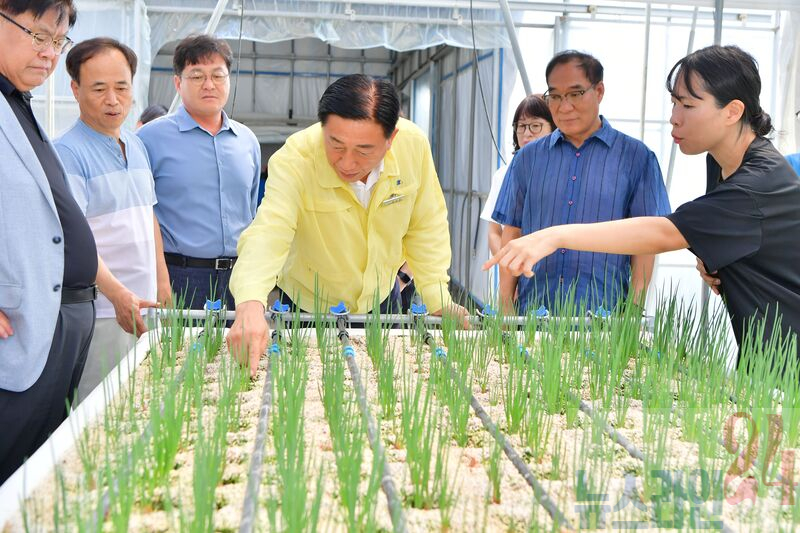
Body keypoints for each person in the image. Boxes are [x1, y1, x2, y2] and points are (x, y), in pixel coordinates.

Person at [486, 44, 800, 373]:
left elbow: (663, 232)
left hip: (788, 366)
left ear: (732, 112)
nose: (674, 117)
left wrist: (553, 236)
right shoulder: (721, 163)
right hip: (763, 355)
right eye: (674, 103)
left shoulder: (754, 185)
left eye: (688, 105)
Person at [227, 74, 467, 374]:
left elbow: (426, 225)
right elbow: (269, 231)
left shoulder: (413, 146)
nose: (347, 162)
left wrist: (438, 297)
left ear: (391, 139)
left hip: (382, 299)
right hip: (309, 306)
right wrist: (250, 302)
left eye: (364, 150)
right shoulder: (296, 158)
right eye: (336, 145)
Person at [0, 0, 98, 484]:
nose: (50, 54)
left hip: (59, 318)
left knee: (37, 472)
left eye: (58, 42)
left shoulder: (19, 103)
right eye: (38, 35)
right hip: (20, 327)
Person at [492, 51, 671, 314]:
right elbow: (513, 231)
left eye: (575, 94)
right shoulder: (527, 159)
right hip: (534, 312)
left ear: (599, 91)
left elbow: (646, 243)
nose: (564, 107)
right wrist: (506, 305)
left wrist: (634, 310)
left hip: (603, 316)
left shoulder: (636, 158)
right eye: (555, 96)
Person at [56, 37, 170, 402]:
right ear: (75, 90)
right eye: (99, 89)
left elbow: (148, 214)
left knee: (142, 402)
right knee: (101, 406)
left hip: (144, 306)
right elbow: (72, 241)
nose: (113, 100)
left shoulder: (135, 144)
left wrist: (162, 280)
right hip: (103, 311)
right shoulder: (66, 154)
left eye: (122, 87)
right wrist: (117, 294)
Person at [138, 34, 260, 311]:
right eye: (197, 76)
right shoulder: (149, 139)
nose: (209, 84)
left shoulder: (247, 141)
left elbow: (250, 212)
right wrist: (160, 280)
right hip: (180, 276)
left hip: (239, 277)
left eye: (218, 75)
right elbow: (143, 216)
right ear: (178, 82)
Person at [482, 94, 555, 257]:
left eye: (535, 126)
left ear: (553, 127)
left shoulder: (561, 173)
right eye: (521, 126)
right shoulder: (503, 175)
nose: (526, 133)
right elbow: (494, 231)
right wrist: (508, 262)